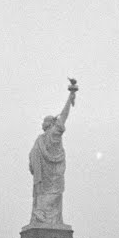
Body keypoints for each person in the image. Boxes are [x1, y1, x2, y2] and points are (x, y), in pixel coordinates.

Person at [28, 86, 76, 228]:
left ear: (49, 124)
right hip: (46, 177)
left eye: (44, 121)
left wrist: (70, 96)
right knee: (47, 195)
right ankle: (42, 216)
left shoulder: (53, 133)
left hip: (51, 175)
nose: (42, 123)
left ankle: (45, 217)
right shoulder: (40, 139)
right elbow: (32, 159)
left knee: (51, 195)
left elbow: (64, 115)